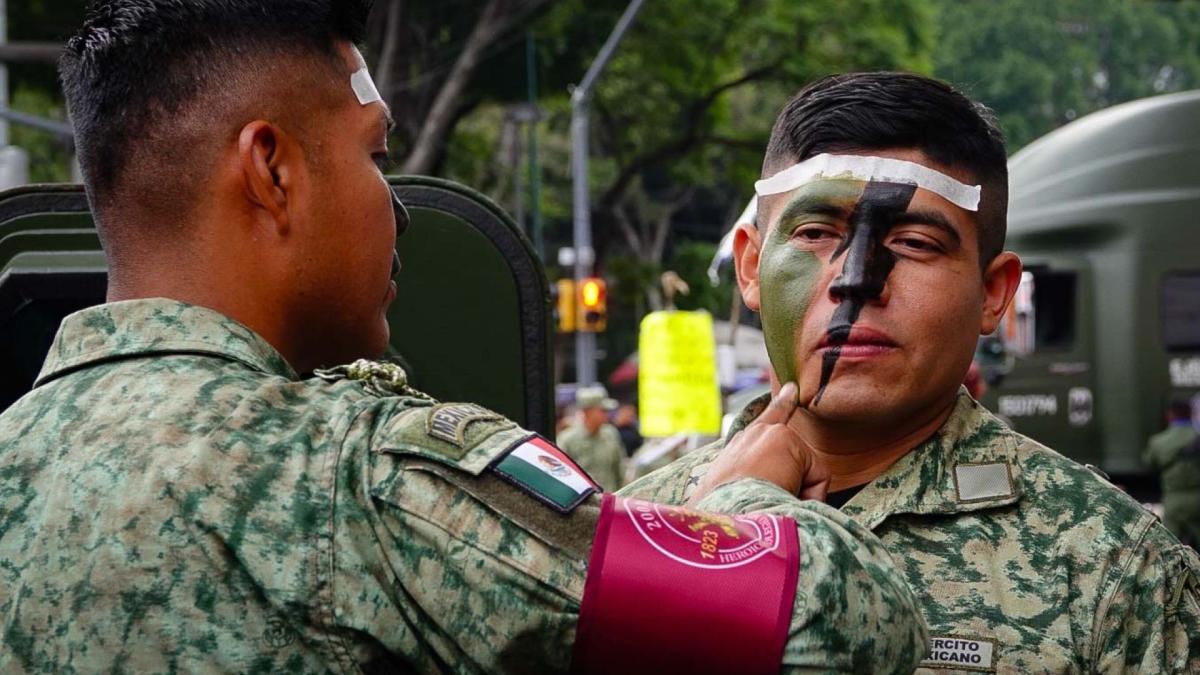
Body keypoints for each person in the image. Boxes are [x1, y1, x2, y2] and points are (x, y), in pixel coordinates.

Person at [0, 3, 929, 673]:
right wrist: (745, 511)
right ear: (272, 169)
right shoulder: (360, 482)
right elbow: (841, 623)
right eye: (375, 154)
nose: (396, 207)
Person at [621, 72, 1200, 673]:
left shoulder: (1110, 569)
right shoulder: (631, 533)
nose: (856, 279)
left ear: (993, 293)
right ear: (749, 267)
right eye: (815, 233)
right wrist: (696, 552)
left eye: (917, 242)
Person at [1144, 399, 1200, 547]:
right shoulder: (1196, 437)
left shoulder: (1158, 441)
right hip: (1197, 498)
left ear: (1170, 415)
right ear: (1191, 414)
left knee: (1169, 547)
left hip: (1173, 499)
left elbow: (1149, 463)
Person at [558, 386, 627, 490]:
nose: (607, 414)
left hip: (608, 498)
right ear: (588, 411)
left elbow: (619, 469)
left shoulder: (611, 434)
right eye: (602, 410)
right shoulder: (568, 439)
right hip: (584, 501)